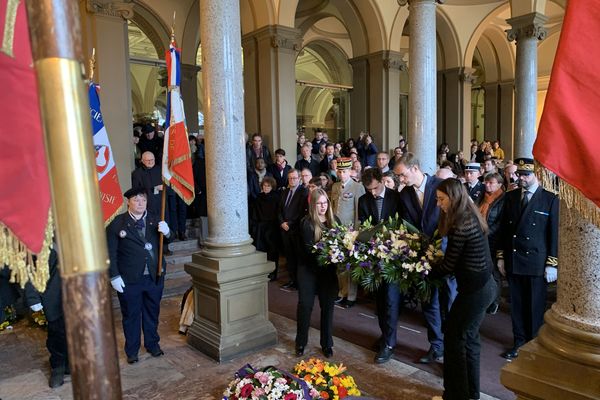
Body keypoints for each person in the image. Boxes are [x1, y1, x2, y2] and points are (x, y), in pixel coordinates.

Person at [432, 178, 495, 400]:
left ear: (454, 197)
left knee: (454, 337)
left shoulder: (460, 224)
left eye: (441, 199)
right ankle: (471, 393)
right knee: (469, 338)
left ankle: (456, 394)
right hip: (484, 286)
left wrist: (425, 268)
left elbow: (449, 265)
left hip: (475, 291)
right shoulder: (469, 214)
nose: (439, 204)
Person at [393, 153, 457, 364]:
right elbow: (408, 226)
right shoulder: (404, 195)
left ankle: (454, 349)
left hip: (447, 254)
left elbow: (454, 218)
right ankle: (436, 346)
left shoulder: (442, 185)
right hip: (422, 257)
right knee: (429, 302)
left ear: (414, 168)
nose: (400, 181)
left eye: (402, 175)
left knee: (451, 302)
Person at [496, 158, 558, 361]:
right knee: (517, 305)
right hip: (514, 258)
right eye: (519, 174)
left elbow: (554, 235)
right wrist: (501, 257)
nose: (521, 178)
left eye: (526, 174)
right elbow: (503, 230)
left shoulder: (549, 198)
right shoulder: (511, 196)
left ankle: (535, 343)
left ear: (536, 175)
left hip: (536, 262)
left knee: (535, 306)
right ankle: (519, 341)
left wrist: (552, 263)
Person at [106, 187, 172, 364]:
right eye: (136, 200)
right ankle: (132, 350)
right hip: (129, 280)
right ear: (128, 202)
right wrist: (114, 276)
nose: (140, 203)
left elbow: (166, 242)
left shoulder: (155, 219)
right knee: (131, 316)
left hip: (153, 276)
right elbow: (110, 253)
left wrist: (167, 233)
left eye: (143, 199)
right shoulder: (117, 223)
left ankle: (152, 344)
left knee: (152, 313)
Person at [357, 167, 402, 364]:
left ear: (382, 181)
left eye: (375, 188)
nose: (373, 193)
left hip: (393, 258)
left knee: (391, 301)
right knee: (380, 302)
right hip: (374, 259)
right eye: (369, 190)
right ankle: (385, 335)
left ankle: (390, 344)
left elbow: (402, 225)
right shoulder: (363, 200)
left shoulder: (396, 198)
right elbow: (365, 227)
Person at [295, 189, 340, 358]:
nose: (323, 206)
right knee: (305, 306)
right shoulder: (306, 223)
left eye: (325, 202)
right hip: (308, 269)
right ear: (312, 205)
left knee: (328, 307)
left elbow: (341, 243)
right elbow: (310, 252)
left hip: (328, 272)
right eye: (319, 203)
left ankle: (327, 344)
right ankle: (301, 342)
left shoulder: (335, 221)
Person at [24, 248, 68, 388]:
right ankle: (58, 367)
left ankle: (72, 363)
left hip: (77, 294)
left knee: (77, 333)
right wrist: (33, 298)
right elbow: (29, 268)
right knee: (57, 335)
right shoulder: (42, 237)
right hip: (53, 298)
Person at [330, 158, 365, 308]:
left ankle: (351, 296)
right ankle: (341, 292)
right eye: (339, 171)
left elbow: (359, 211)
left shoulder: (358, 187)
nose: (341, 174)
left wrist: (356, 232)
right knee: (339, 264)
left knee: (350, 265)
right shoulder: (335, 186)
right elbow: (332, 208)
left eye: (344, 171)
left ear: (351, 171)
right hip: (337, 231)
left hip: (350, 232)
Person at [478, 172, 506, 315]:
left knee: (494, 272)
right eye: (486, 182)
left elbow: (500, 222)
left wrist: (485, 233)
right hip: (480, 238)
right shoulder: (481, 197)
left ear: (500, 185)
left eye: (491, 183)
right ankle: (483, 298)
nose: (487, 185)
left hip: (493, 240)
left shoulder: (503, 199)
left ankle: (494, 300)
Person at [278, 169, 308, 289]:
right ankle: (292, 280)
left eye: (294, 178)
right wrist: (281, 222)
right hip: (284, 230)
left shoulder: (303, 192)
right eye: (290, 178)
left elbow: (301, 212)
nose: (292, 180)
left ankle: (299, 282)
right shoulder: (285, 192)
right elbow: (279, 209)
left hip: (296, 230)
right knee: (289, 257)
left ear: (299, 178)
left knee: (298, 258)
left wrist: (290, 223)